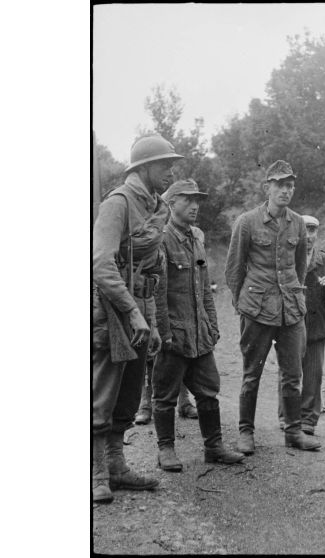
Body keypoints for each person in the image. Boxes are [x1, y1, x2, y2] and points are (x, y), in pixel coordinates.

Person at [92, 135, 183, 504]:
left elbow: (154, 266)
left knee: (130, 390)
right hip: (113, 309)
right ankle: (96, 472)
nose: (171, 171)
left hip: (141, 308)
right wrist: (130, 311)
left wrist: (153, 320)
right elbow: (100, 263)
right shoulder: (118, 203)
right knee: (103, 392)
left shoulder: (157, 207)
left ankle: (117, 466)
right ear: (144, 168)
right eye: (165, 165)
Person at [225, 160, 321, 455]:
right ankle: (246, 432)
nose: (285, 190)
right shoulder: (247, 222)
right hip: (257, 309)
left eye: (290, 185)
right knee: (251, 374)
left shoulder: (297, 224)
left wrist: (293, 294)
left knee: (293, 374)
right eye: (280, 185)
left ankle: (293, 432)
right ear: (267, 187)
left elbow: (300, 266)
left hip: (291, 310)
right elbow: (234, 269)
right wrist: (244, 304)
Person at [152, 179, 244, 471]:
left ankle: (213, 446)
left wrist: (212, 325)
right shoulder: (162, 239)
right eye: (187, 200)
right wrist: (164, 334)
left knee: (208, 391)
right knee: (165, 394)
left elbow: (204, 288)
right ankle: (165, 449)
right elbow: (158, 292)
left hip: (200, 333)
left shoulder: (196, 238)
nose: (195, 206)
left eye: (197, 200)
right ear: (171, 204)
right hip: (174, 334)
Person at [278, 215, 325, 435]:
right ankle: (287, 416)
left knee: (313, 375)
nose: (310, 236)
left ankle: (308, 419)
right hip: (291, 324)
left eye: (313, 231)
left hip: (316, 327)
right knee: (290, 371)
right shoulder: (286, 259)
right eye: (305, 231)